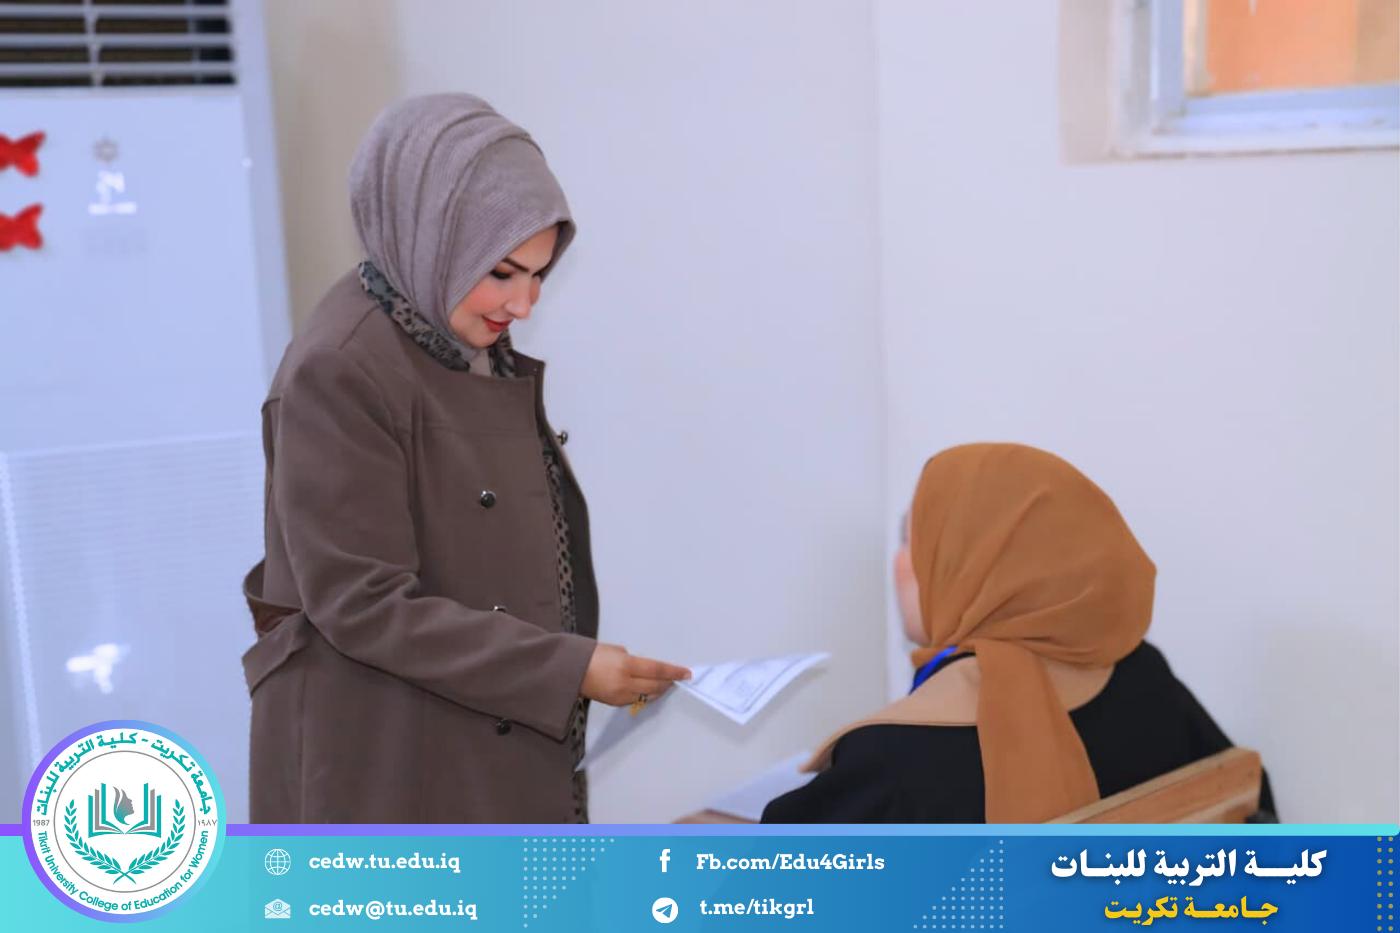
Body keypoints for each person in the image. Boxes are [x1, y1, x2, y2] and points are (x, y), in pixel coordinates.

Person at [239, 94, 689, 823]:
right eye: (504, 272)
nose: (524, 304)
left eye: (539, 275)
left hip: (471, 725)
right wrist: (569, 667)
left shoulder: (451, 336)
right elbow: (364, 603)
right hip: (386, 752)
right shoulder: (340, 368)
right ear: (430, 234)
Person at [763, 442, 1275, 823]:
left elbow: (763, 896)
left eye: (916, 539)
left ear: (969, 566)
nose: (900, 561)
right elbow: (1246, 799)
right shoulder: (1143, 675)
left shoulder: (892, 755)